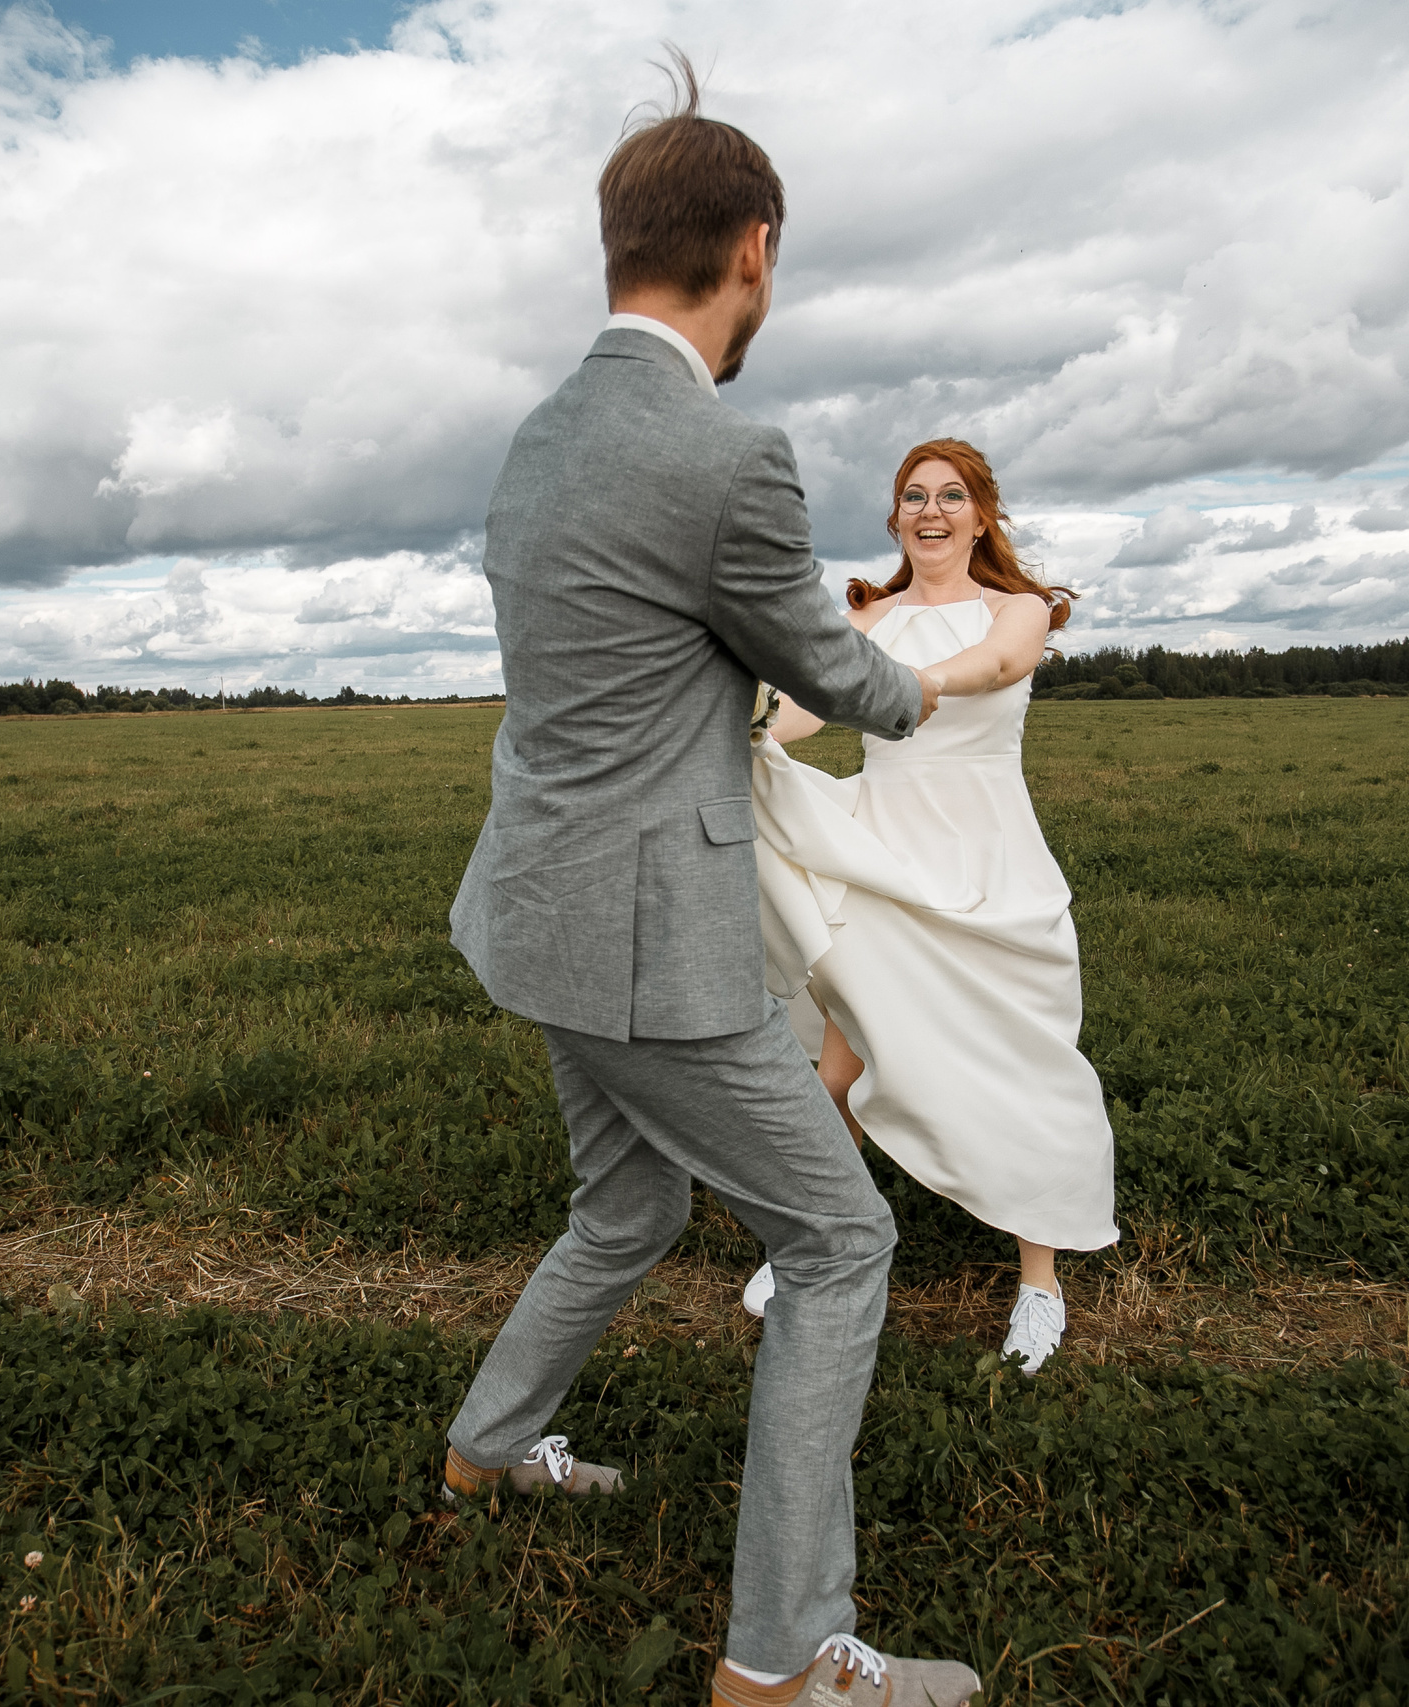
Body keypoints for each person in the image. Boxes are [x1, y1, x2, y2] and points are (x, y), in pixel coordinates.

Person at [439, 56, 983, 1707]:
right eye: (774, 263)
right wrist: (937, 656)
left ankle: (487, 1446)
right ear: (748, 249)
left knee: (627, 1202)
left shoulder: (534, 441)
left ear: (619, 246)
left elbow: (655, 649)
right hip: (643, 945)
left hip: (529, 913)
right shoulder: (728, 453)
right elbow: (836, 670)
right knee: (838, 1241)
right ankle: (783, 1661)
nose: (770, 289)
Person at [745, 438, 1120, 1374]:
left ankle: (1040, 1277)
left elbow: (994, 666)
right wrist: (752, 719)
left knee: (1021, 1062)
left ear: (981, 514)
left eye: (952, 495)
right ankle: (814, 1248)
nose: (932, 510)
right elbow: (807, 710)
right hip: (880, 852)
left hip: (988, 855)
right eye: (914, 495)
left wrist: (912, 686)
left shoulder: (1017, 610)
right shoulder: (866, 616)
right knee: (837, 1072)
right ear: (895, 516)